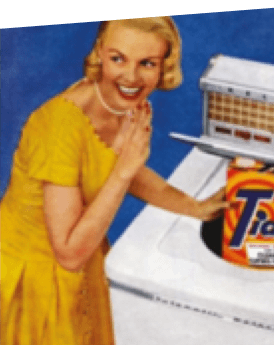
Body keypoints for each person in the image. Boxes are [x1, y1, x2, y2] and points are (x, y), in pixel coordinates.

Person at [0, 17, 229, 345]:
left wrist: (195, 208)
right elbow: (67, 253)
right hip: (34, 280)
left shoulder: (121, 102)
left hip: (84, 254)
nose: (131, 77)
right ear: (100, 55)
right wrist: (124, 170)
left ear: (163, 66)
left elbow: (116, 168)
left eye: (146, 63)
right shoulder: (60, 127)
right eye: (118, 58)